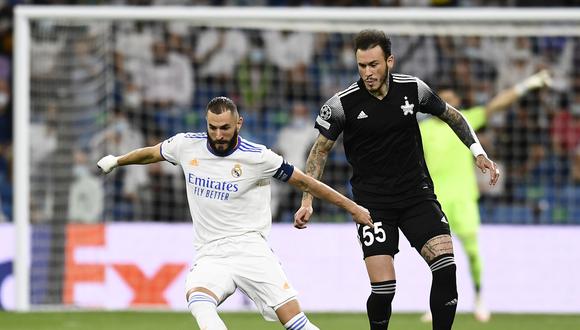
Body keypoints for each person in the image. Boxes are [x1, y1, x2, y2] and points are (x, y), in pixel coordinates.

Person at [97, 96, 373, 330]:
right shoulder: (186, 145)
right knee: (199, 302)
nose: (218, 135)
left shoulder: (259, 157)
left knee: (296, 322)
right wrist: (117, 161)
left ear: (238, 123)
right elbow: (151, 153)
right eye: (213, 128)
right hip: (211, 252)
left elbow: (306, 182)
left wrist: (350, 207)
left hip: (251, 250)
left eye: (225, 128)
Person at [294, 29, 499, 330]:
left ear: (389, 61)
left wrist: (477, 152)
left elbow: (452, 115)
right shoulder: (341, 105)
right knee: (384, 290)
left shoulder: (413, 89)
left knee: (445, 267)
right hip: (372, 205)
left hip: (417, 197)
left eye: (374, 64)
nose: (367, 72)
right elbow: (319, 152)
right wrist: (307, 199)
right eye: (362, 66)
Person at [419, 70, 552, 323]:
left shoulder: (465, 120)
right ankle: (436, 302)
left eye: (451, 99)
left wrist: (529, 83)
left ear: (457, 100)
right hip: (435, 201)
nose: (448, 104)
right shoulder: (423, 130)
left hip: (463, 199)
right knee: (435, 255)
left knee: (471, 252)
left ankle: (479, 297)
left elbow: (496, 104)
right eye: (442, 100)